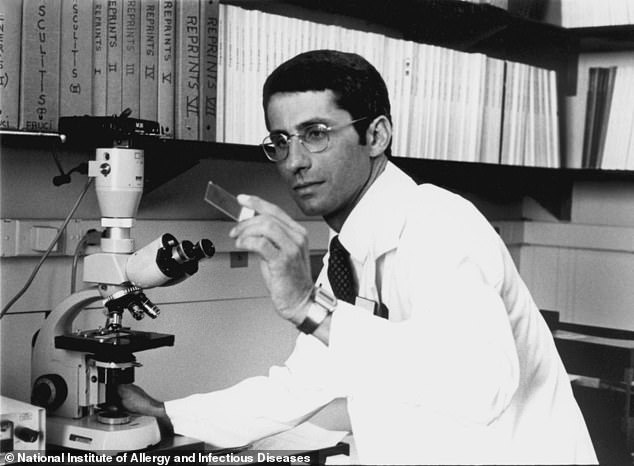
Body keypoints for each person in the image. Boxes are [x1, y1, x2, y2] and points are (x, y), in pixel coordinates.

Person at [119, 50, 597, 464]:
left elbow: (481, 390)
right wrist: (168, 416)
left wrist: (308, 306)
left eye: (316, 133)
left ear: (376, 136)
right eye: (281, 140)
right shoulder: (347, 256)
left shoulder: (438, 224)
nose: (294, 161)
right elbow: (302, 385)